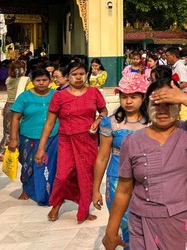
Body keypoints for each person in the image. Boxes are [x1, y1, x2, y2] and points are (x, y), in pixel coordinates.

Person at [100, 77, 187, 250]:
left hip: (182, 222)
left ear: (177, 107)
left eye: (169, 105)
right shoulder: (132, 141)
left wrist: (184, 97)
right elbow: (124, 190)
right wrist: (111, 231)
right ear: (147, 107)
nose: (162, 111)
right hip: (142, 223)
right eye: (156, 105)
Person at [35, 60, 108, 223]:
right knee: (62, 176)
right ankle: (57, 203)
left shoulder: (94, 92)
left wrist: (97, 121)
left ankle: (84, 210)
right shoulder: (59, 96)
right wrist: (41, 148)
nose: (79, 77)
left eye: (82, 74)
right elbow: (49, 123)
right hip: (66, 140)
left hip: (88, 140)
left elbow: (103, 110)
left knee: (86, 176)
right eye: (74, 75)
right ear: (67, 77)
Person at [92, 73, 150, 247]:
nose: (128, 101)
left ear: (143, 97)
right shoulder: (110, 123)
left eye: (133, 96)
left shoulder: (153, 123)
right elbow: (102, 157)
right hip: (116, 180)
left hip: (146, 180)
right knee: (126, 224)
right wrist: (95, 190)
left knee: (146, 224)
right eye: (124, 96)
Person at [7, 68, 58, 204]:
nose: (41, 83)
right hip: (29, 136)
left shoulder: (56, 95)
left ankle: (51, 192)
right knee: (27, 164)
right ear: (32, 81)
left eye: (44, 80)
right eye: (38, 80)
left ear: (50, 80)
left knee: (50, 165)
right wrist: (13, 139)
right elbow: (15, 118)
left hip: (52, 137)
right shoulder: (24, 97)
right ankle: (27, 189)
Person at [2, 60, 27, 161]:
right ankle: (7, 151)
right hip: (19, 106)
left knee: (8, 131)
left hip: (8, 106)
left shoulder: (8, 80)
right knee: (19, 130)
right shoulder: (26, 79)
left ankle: (4, 151)